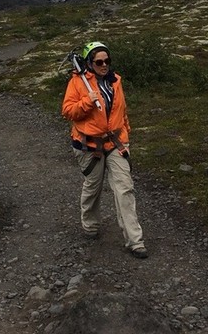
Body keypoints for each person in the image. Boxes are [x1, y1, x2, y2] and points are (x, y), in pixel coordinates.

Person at [61, 40, 148, 258]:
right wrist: (87, 103)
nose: (104, 65)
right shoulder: (78, 82)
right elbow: (68, 111)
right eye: (98, 61)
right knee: (94, 186)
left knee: (125, 188)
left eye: (107, 60)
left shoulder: (115, 81)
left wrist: (125, 133)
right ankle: (90, 225)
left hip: (116, 143)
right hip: (89, 146)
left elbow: (122, 110)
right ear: (89, 63)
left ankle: (135, 241)